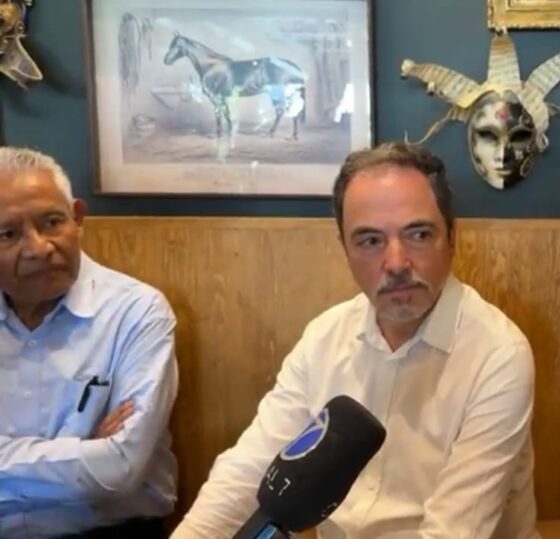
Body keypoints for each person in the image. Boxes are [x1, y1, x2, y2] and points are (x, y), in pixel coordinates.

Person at [173, 142, 538, 538]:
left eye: (418, 234)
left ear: (452, 238)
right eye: (370, 241)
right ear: (345, 249)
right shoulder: (324, 337)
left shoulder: (498, 354)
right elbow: (248, 473)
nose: (396, 263)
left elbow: (452, 532)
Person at [0, 147, 179, 537]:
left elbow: (119, 469)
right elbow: (98, 467)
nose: (39, 248)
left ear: (77, 217)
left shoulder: (136, 312)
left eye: (52, 222)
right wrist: (81, 450)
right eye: (9, 234)